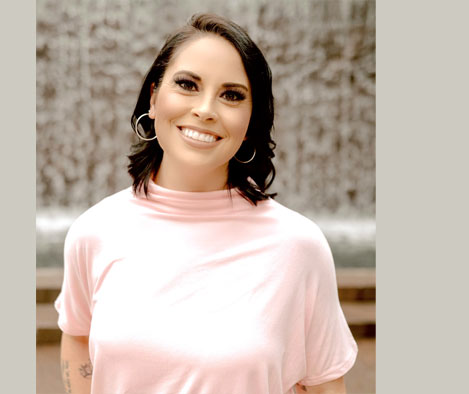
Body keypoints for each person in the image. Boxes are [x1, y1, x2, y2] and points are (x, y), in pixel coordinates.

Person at [55, 13, 358, 394]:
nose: (206, 109)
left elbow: (326, 384)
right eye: (187, 84)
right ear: (154, 95)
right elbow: (77, 336)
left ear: (251, 120)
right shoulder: (94, 231)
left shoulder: (299, 246)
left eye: (232, 95)